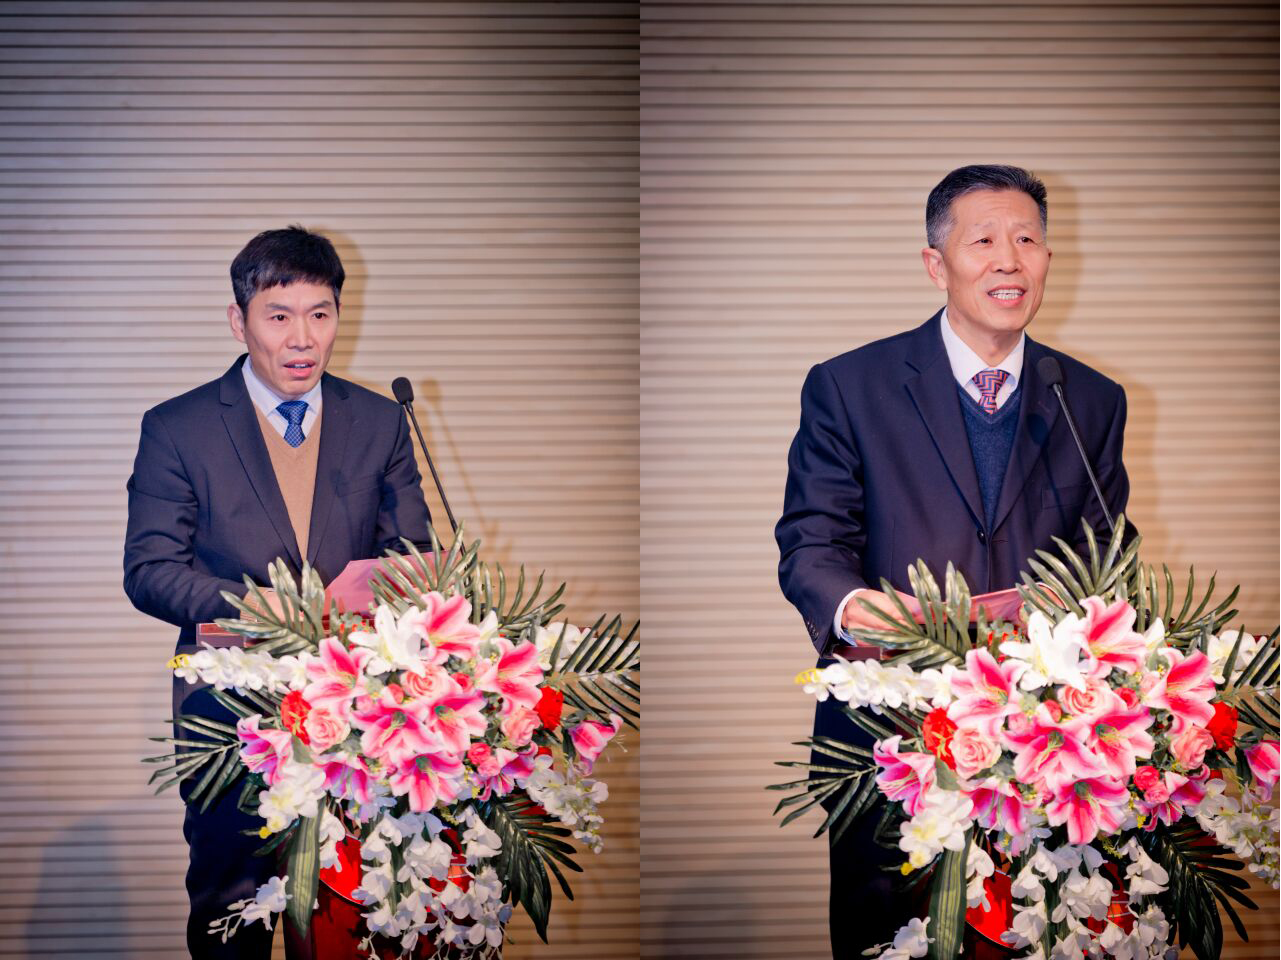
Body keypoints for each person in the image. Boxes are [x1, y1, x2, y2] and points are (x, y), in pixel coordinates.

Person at [774, 165, 1134, 958]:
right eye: (983, 241)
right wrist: (857, 610)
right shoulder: (850, 386)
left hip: (1042, 741)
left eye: (1026, 239)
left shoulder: (1089, 398)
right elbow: (811, 541)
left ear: (1047, 258)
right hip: (889, 739)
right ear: (936, 264)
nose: (1009, 259)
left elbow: (1106, 556)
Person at [123, 226, 433, 959]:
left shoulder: (380, 421)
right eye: (279, 315)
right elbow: (150, 570)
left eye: (320, 314)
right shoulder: (178, 428)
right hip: (229, 714)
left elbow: (410, 554)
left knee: (346, 913)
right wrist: (279, 611)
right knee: (234, 909)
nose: (302, 338)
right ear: (240, 321)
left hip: (359, 709)